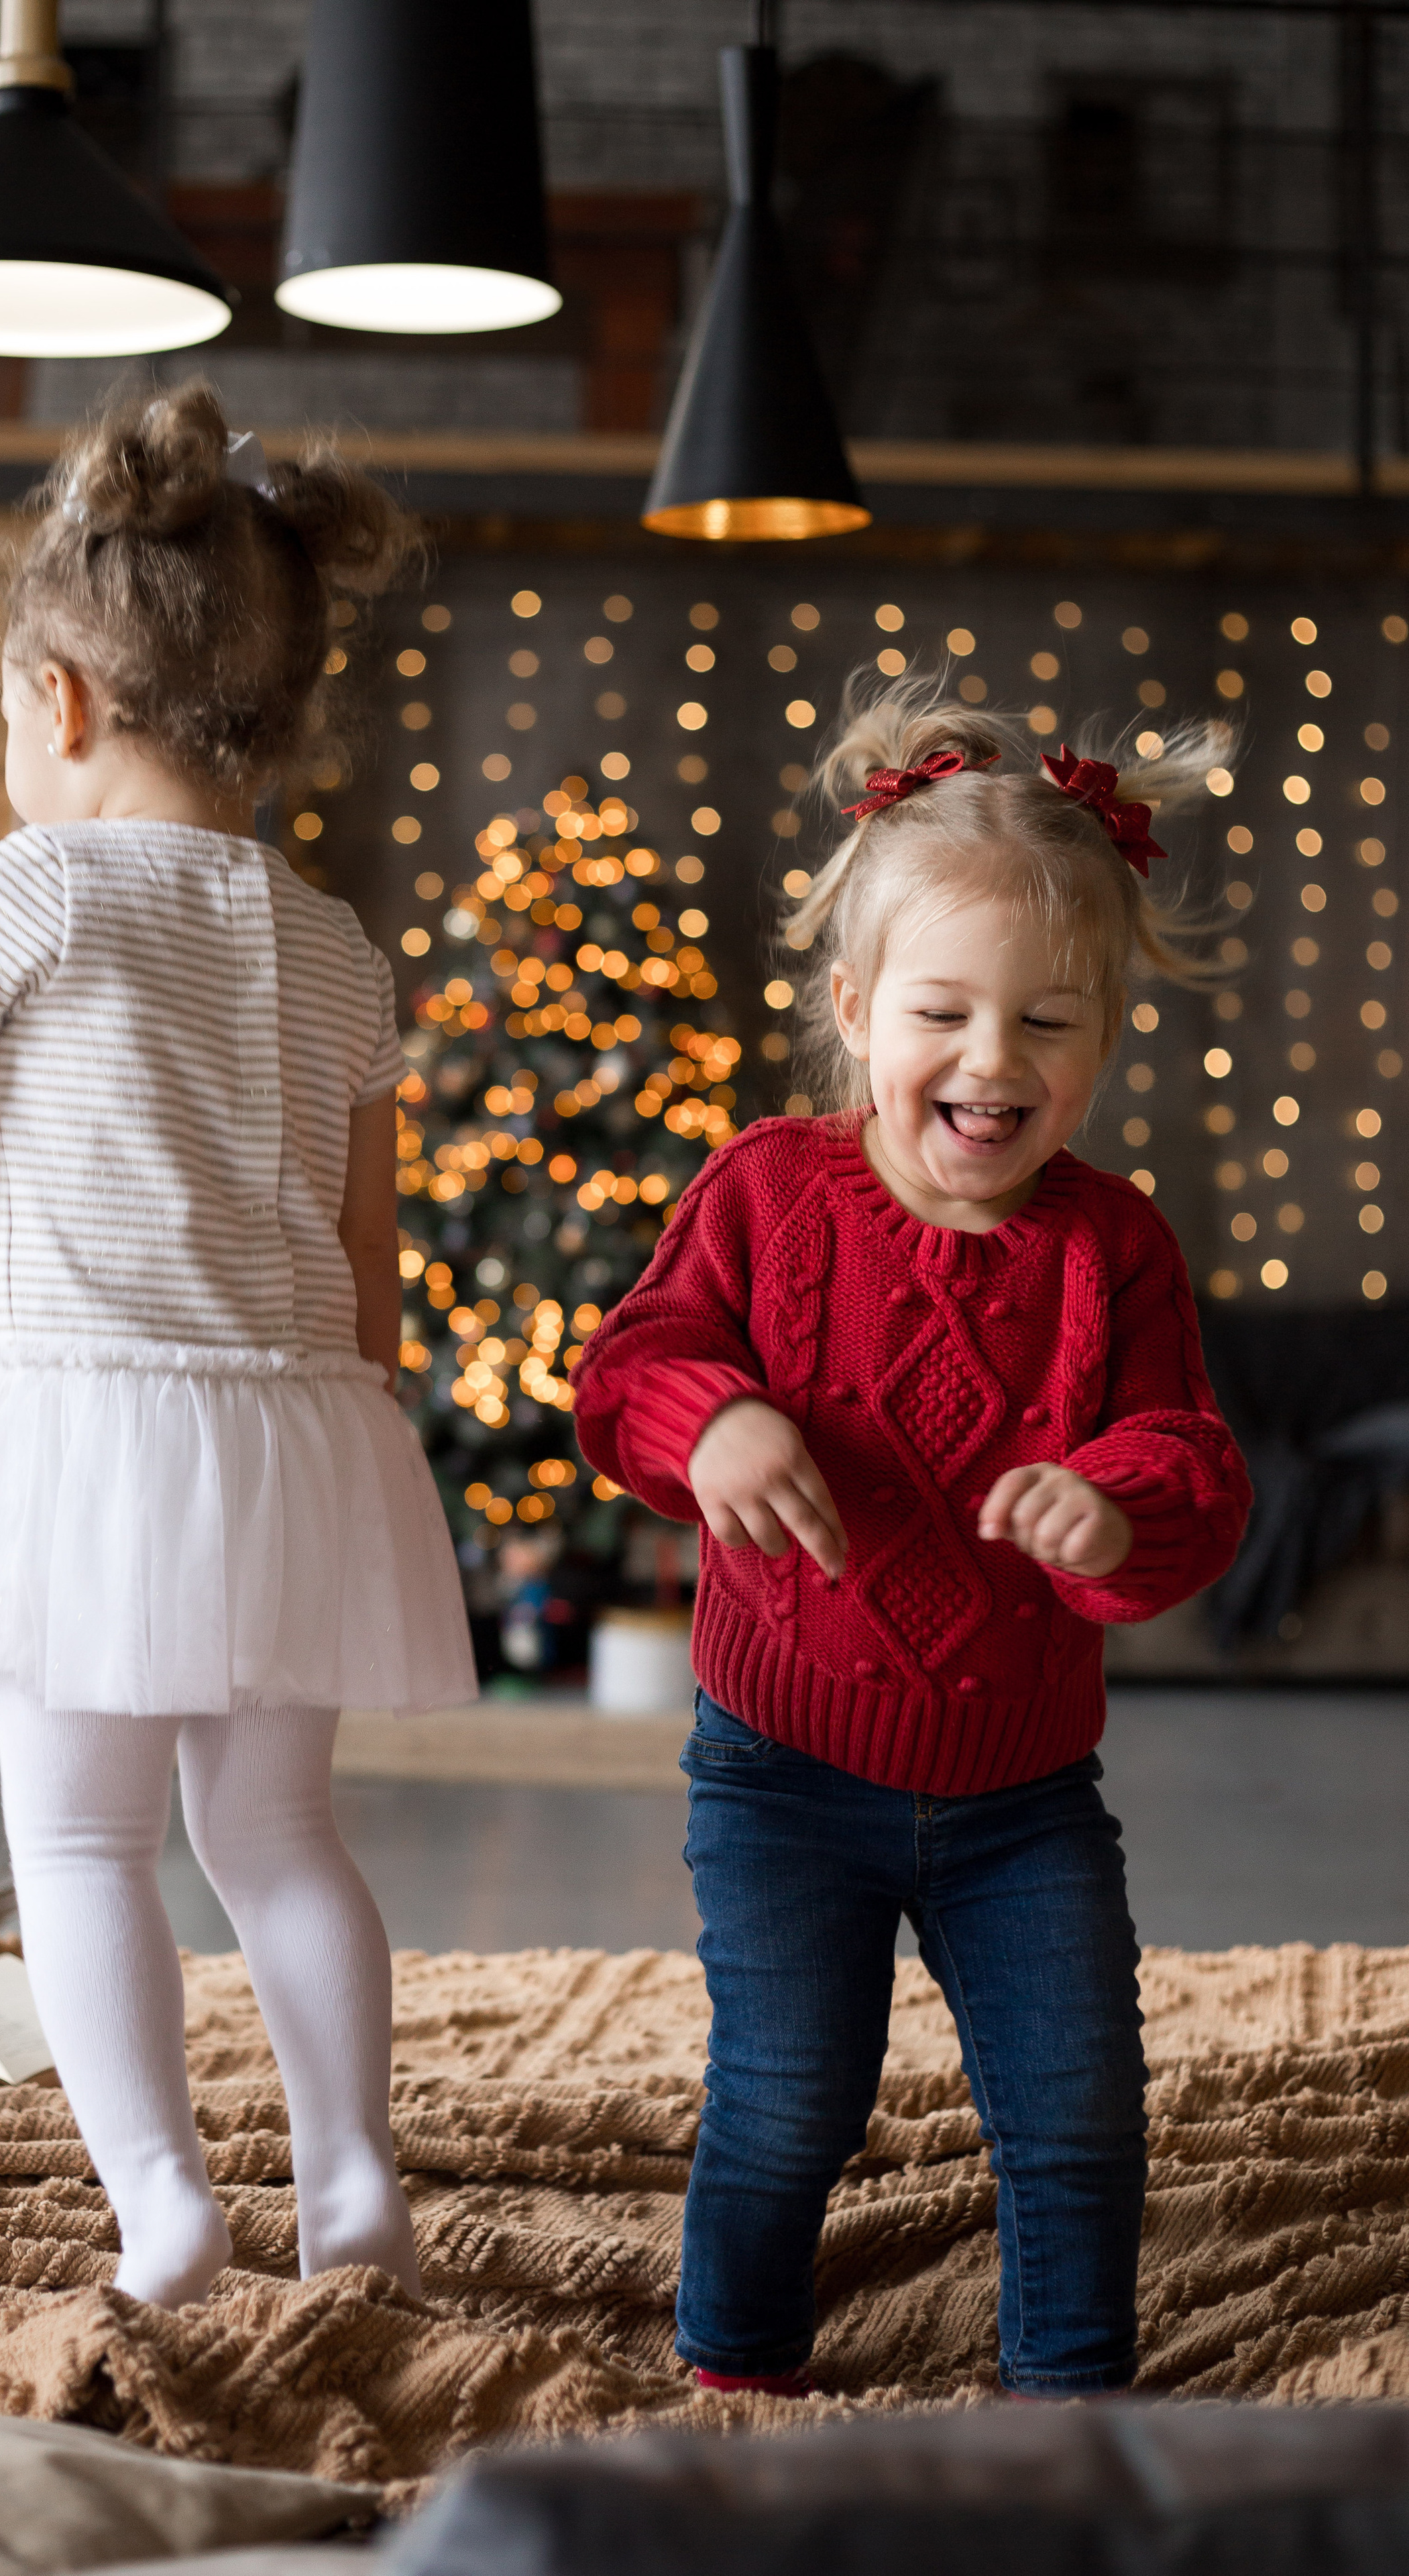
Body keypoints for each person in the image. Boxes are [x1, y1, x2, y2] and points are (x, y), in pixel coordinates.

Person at [0, 384, 475, 2310]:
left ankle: (163, 2203)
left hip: (88, 1437)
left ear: (59, 703)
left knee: (79, 1840)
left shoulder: (27, 889)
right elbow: (365, 1234)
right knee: (281, 1835)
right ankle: (353, 2191)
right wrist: (359, 1422)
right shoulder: (336, 948)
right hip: (294, 1435)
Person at [573, 672, 1251, 2400]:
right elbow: (636, 1364)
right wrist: (708, 1419)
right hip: (786, 1767)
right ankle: (733, 2371)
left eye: (1049, 1024)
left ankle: (1067, 2412)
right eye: (945, 1013)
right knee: (791, 2099)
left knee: (1084, 2111)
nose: (992, 1062)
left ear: (1104, 1041)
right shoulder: (766, 1194)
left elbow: (1195, 1463)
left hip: (1025, 1791)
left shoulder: (1120, 1252)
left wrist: (1116, 1507)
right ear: (861, 1011)